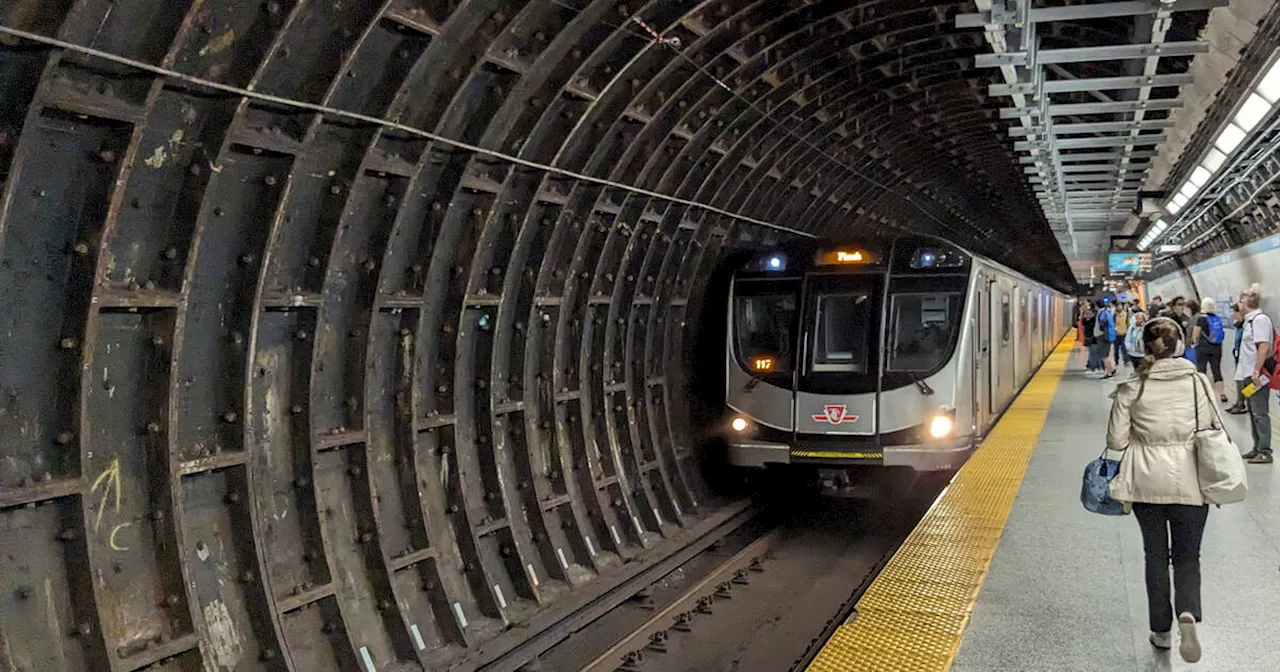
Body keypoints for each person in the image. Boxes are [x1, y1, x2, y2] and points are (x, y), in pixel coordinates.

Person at [1107, 317, 1217, 663]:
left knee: (1155, 556)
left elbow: (1115, 440)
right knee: (1187, 556)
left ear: (1143, 346)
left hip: (1145, 482)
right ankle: (1187, 612)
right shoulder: (1199, 383)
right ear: (1181, 345)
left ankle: (1161, 630)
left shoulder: (1132, 387)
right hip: (1191, 481)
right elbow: (1212, 427)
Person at [1235, 289, 1273, 463]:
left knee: (1260, 412)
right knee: (1252, 410)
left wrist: (1257, 370)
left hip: (1256, 375)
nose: (1238, 304)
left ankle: (1265, 450)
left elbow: (1263, 346)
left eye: (1240, 301)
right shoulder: (1248, 321)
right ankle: (1257, 447)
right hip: (1247, 374)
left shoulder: (1260, 320)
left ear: (1246, 302)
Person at [1191, 297, 1228, 403]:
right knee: (1216, 370)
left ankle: (1203, 393)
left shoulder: (1201, 319)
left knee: (1202, 370)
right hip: (1216, 347)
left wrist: (1194, 342)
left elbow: (1196, 334)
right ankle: (1222, 394)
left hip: (1203, 348)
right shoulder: (1217, 318)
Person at [1093, 299, 1117, 378]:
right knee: (1106, 354)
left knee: (1104, 356)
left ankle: (1109, 372)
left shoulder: (1101, 312)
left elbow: (1102, 324)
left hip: (1103, 336)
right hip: (1108, 336)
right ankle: (1111, 369)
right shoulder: (1107, 311)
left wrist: (1099, 332)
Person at [1114, 300, 1131, 366]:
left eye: (1120, 306)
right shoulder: (1114, 315)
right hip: (1116, 334)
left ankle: (1126, 361)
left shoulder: (1125, 314)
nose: (1119, 307)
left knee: (1124, 348)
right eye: (1118, 306)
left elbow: (1127, 323)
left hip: (1124, 333)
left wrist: (1128, 331)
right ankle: (1116, 360)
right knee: (1116, 349)